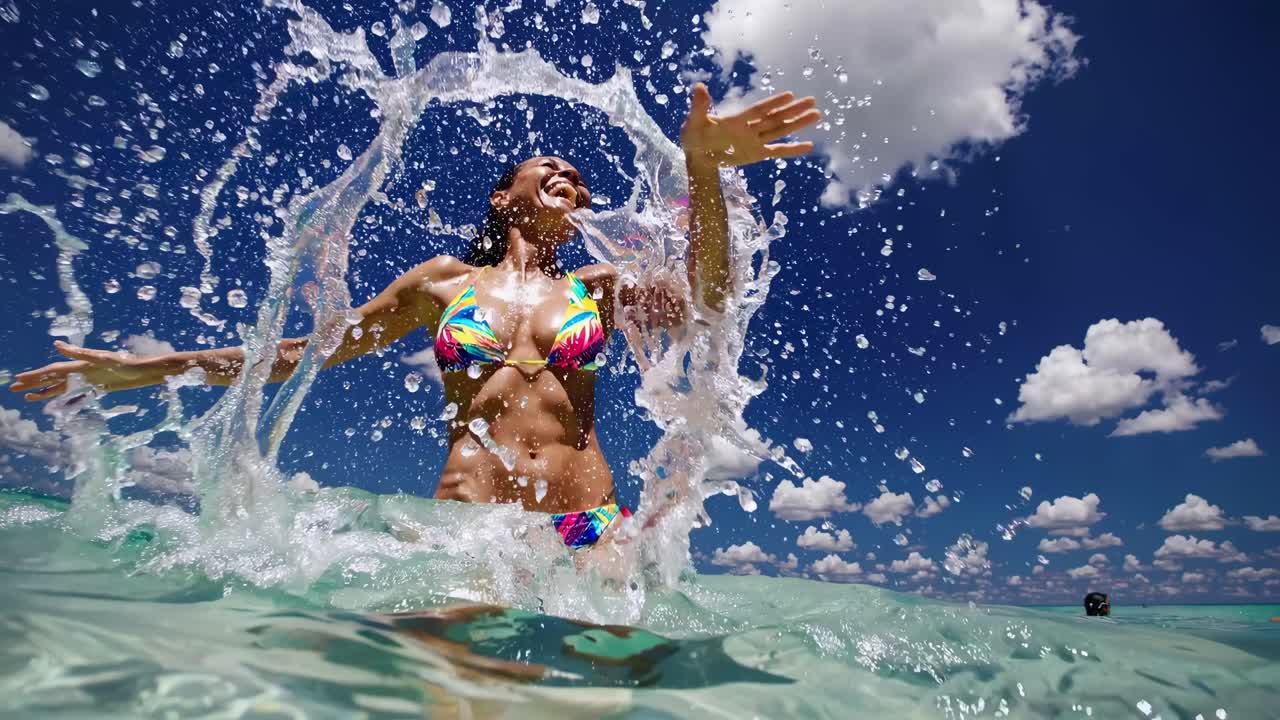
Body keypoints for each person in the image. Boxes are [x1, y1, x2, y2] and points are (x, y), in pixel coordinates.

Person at [9, 83, 822, 549]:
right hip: (471, 522)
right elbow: (297, 354)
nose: (569, 175)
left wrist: (703, 170)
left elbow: (713, 301)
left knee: (591, 698)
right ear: (505, 196)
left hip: (588, 521)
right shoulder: (442, 283)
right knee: (454, 697)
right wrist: (140, 369)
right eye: (551, 168)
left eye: (577, 177)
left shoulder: (600, 287)